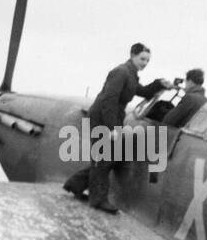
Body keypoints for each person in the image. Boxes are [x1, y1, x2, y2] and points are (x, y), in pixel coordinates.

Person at [64, 43, 173, 212]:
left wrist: (159, 84)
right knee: (103, 157)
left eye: (147, 61)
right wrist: (111, 128)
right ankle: (98, 200)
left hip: (113, 117)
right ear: (132, 55)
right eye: (142, 59)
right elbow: (109, 100)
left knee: (111, 157)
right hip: (103, 117)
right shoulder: (121, 72)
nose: (145, 63)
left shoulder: (131, 73)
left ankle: (75, 184)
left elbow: (141, 91)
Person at [160, 68, 207, 133]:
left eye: (186, 82)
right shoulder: (205, 101)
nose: (185, 86)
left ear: (190, 82)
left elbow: (170, 119)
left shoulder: (190, 97)